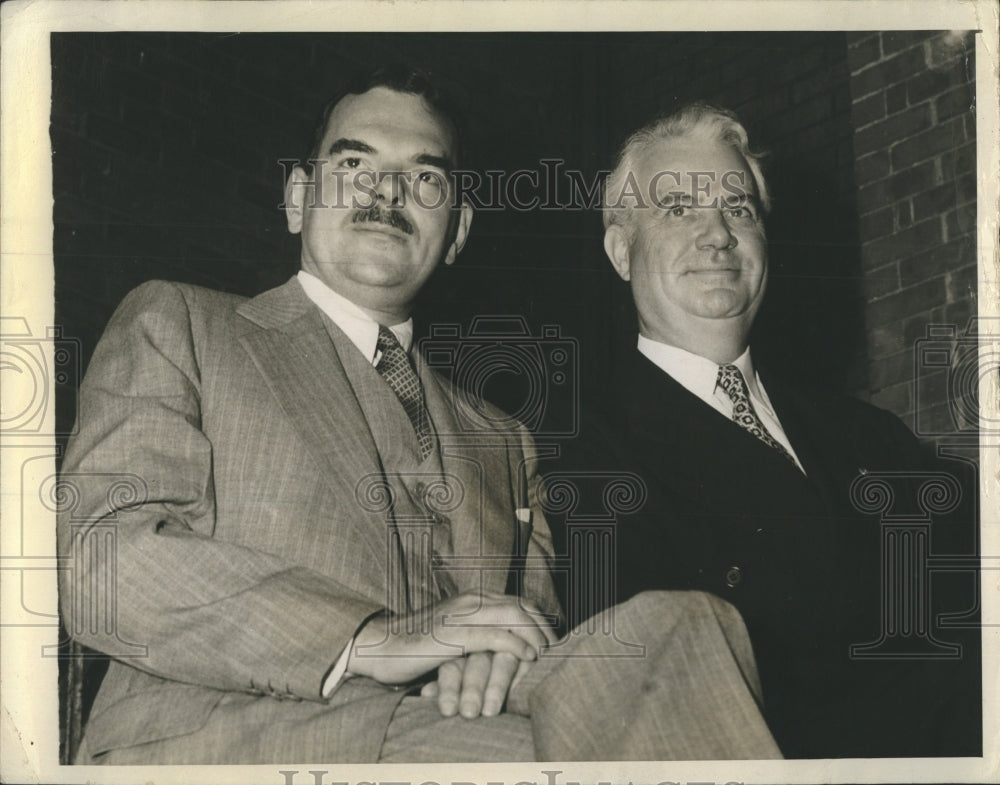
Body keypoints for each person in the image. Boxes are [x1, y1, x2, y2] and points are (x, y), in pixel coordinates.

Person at [57, 68, 783, 764]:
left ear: (458, 229)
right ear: (297, 198)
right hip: (227, 738)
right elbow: (99, 561)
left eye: (426, 177)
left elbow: (535, 638)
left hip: (453, 729)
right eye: (355, 163)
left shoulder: (506, 441)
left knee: (688, 624)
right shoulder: (182, 323)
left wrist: (500, 655)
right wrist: (367, 638)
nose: (388, 190)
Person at [552, 102, 981, 758]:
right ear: (620, 251)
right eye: (679, 209)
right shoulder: (580, 456)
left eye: (739, 208)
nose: (719, 235)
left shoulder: (867, 433)